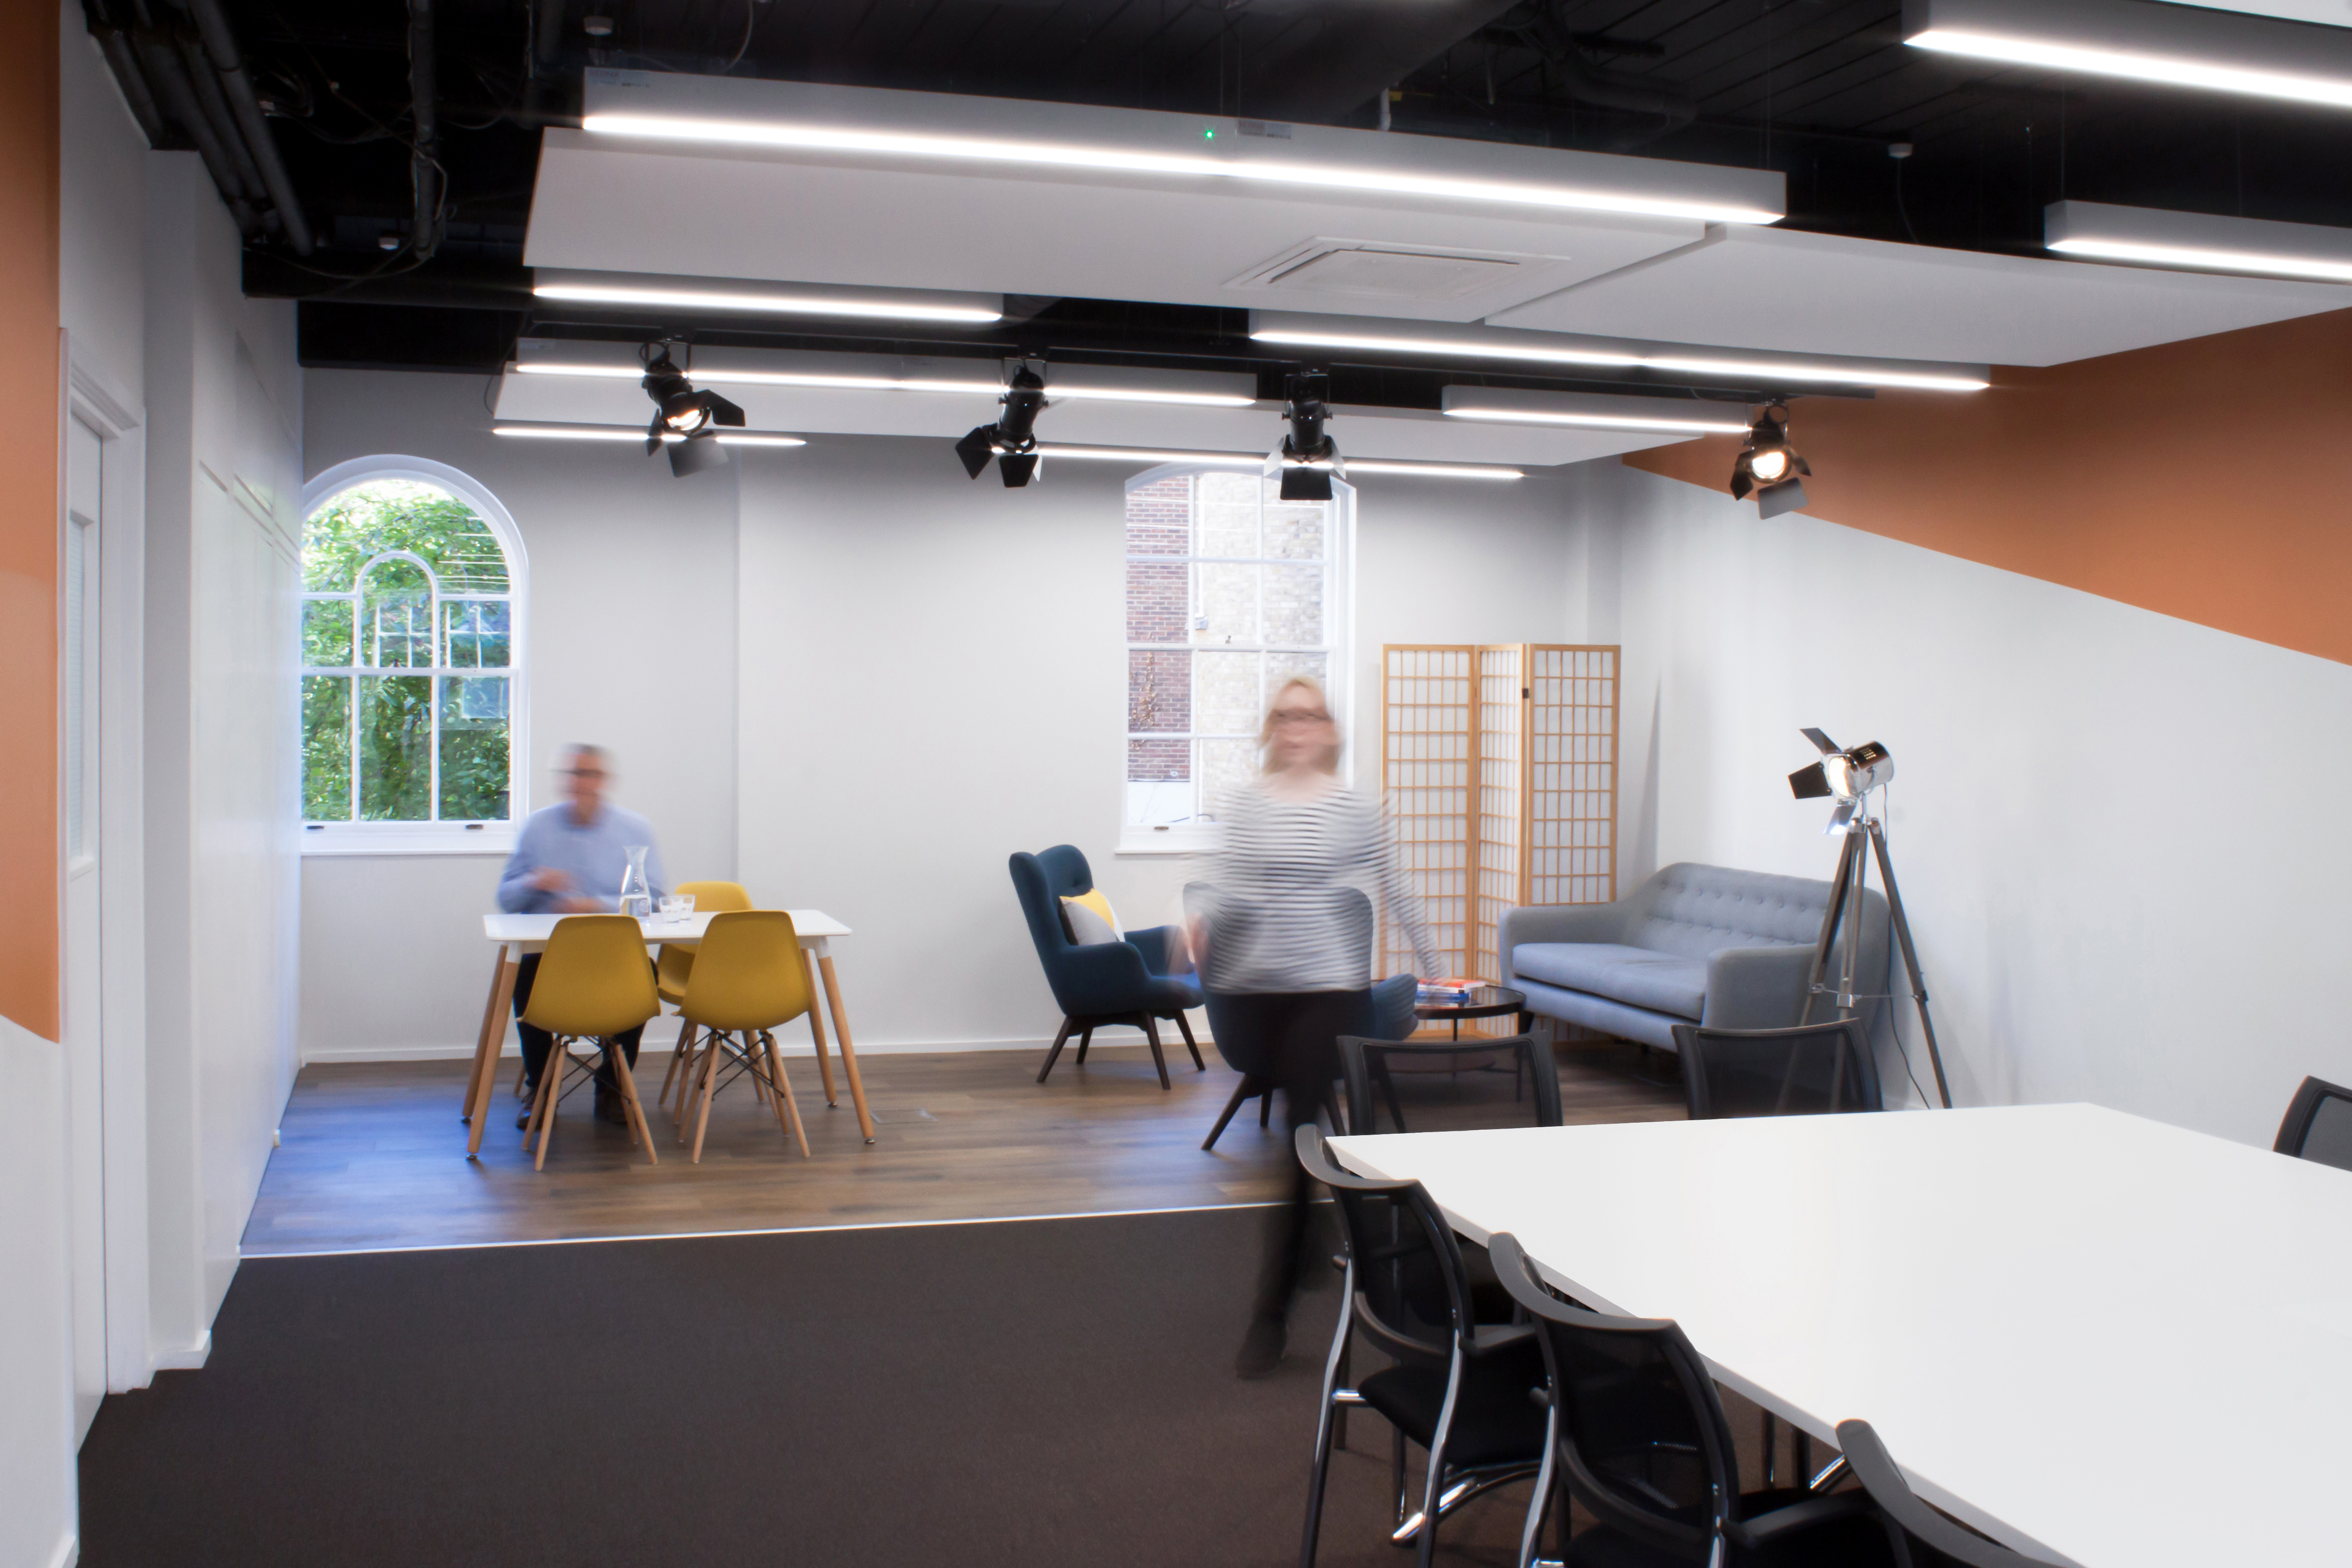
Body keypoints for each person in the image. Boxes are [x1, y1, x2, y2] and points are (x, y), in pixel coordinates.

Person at [1189, 677, 1438, 1378]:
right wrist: (1199, 918)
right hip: (1254, 985)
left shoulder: (1356, 808)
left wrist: (1438, 966)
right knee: (1299, 1138)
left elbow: (1396, 885)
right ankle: (1309, 1236)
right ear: (1272, 729)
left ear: (1330, 728)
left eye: (1310, 715)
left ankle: (1267, 1312)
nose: (1297, 726)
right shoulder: (1247, 805)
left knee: (1300, 1131)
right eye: (1285, 716)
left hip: (1327, 985)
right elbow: (1227, 881)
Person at [496, 743, 667, 1127]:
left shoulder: (635, 829)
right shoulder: (537, 827)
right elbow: (505, 899)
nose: (580, 783)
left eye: (589, 774)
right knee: (524, 977)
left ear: (604, 781)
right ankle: (540, 1090)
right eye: (573, 774)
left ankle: (612, 1087)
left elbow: (656, 899)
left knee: (646, 974)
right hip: (551, 959)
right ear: (562, 780)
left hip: (614, 958)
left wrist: (595, 904)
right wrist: (535, 880)